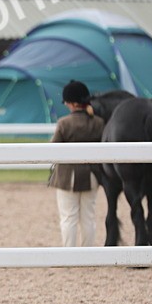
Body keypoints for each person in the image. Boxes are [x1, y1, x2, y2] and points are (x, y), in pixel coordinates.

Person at [49, 80, 104, 246]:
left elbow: (53, 149)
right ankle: (87, 253)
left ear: (72, 103)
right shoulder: (98, 122)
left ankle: (70, 254)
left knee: (68, 217)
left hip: (68, 176)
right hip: (92, 175)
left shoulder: (64, 123)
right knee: (88, 217)